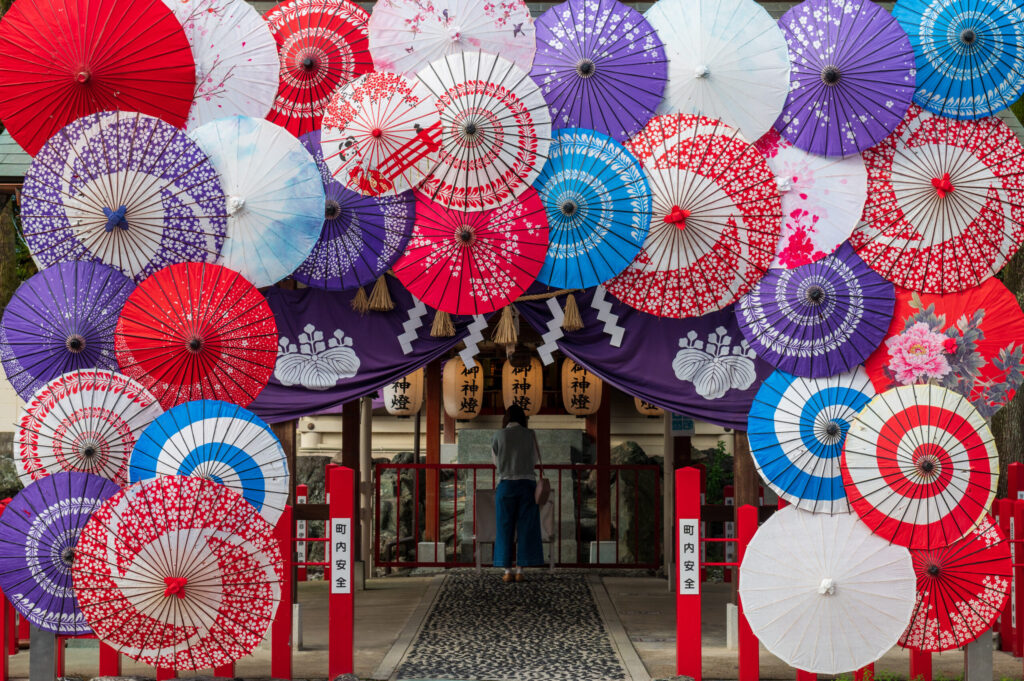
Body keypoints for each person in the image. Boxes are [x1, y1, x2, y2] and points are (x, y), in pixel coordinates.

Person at [491, 403, 544, 582]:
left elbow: (496, 461)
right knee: (526, 527)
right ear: (523, 418)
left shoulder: (499, 435)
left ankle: (506, 570)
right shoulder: (530, 435)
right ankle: (520, 569)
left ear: (506, 418)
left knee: (504, 527)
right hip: (527, 484)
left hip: (506, 484)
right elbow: (535, 458)